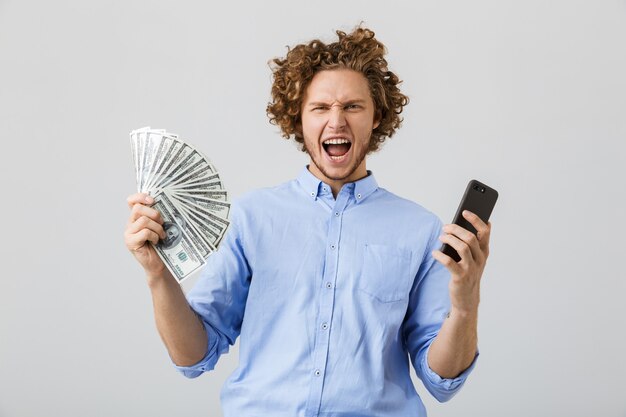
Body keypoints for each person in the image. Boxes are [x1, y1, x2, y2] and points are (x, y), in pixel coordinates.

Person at [124, 26, 493, 417]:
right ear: (298, 119)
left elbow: (442, 378)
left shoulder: (420, 230)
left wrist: (466, 304)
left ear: (376, 117)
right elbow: (193, 355)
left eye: (353, 106)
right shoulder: (252, 218)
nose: (337, 121)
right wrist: (157, 274)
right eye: (320, 108)